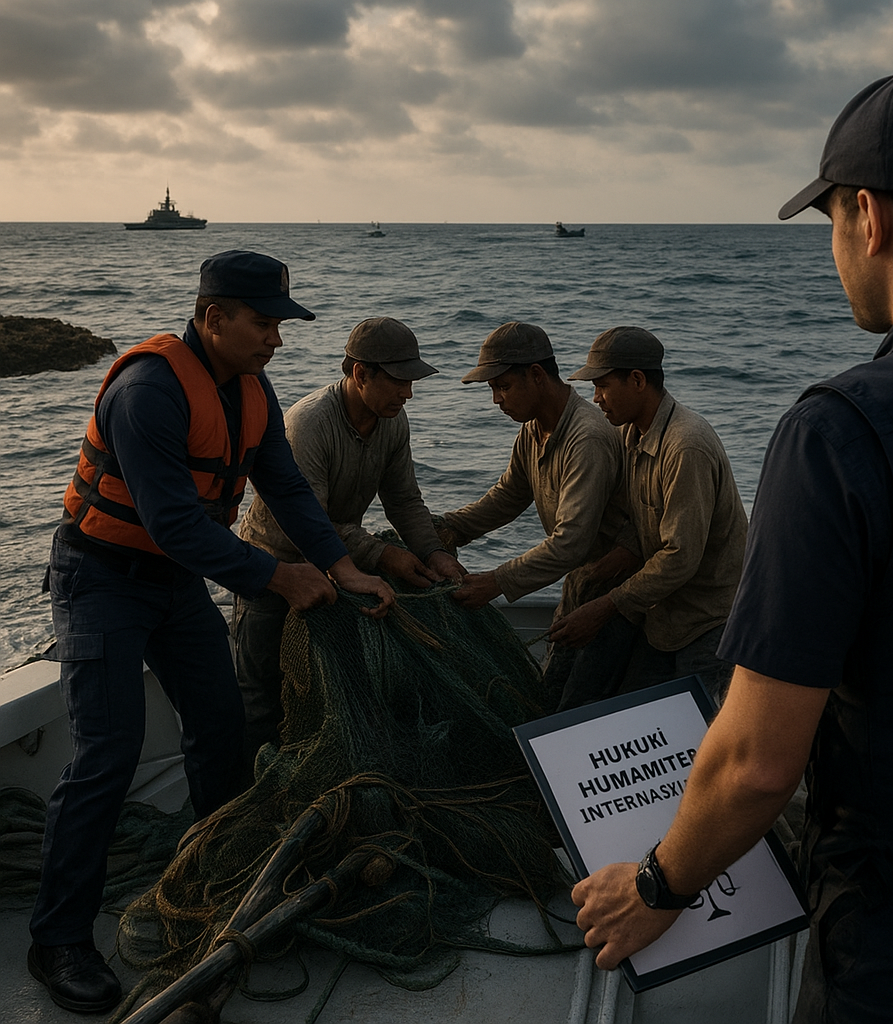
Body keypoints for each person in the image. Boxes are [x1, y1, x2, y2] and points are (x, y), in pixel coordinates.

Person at [570, 66, 893, 1023]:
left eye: (829, 224)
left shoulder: (846, 431)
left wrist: (655, 887)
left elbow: (758, 765)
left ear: (869, 217)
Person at [28, 250, 395, 1014]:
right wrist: (278, 577)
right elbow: (166, 523)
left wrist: (338, 563)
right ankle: (57, 940)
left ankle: (220, 879)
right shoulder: (146, 393)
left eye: (280, 326)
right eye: (263, 324)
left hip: (175, 585)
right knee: (107, 750)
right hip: (101, 579)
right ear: (213, 316)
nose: (276, 340)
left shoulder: (251, 389)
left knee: (222, 728)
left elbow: (285, 486)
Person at [236, 316, 463, 768]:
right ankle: (255, 791)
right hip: (274, 569)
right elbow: (305, 523)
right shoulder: (308, 425)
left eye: (411, 382)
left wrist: (434, 553)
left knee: (332, 691)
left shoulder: (393, 422)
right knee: (262, 697)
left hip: (339, 568)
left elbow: (405, 501)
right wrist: (384, 554)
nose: (408, 393)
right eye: (399, 381)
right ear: (361, 374)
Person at [547, 326, 747, 706]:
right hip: (661, 618)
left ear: (637, 380)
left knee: (698, 736)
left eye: (603, 386)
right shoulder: (630, 434)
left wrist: (604, 606)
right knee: (631, 716)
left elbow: (679, 557)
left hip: (711, 621)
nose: (596, 399)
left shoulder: (687, 446)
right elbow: (638, 521)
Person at [442, 322, 637, 704]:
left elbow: (571, 543)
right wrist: (448, 528)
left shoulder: (587, 436)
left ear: (536, 375)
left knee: (576, 707)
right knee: (549, 695)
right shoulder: (533, 430)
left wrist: (496, 582)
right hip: (579, 584)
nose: (496, 400)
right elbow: (508, 496)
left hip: (614, 593)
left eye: (503, 387)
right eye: (492, 389)